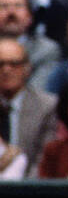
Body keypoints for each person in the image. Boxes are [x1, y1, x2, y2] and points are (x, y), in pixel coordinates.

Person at [0, 34, 57, 175]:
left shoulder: (47, 106)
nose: (6, 70)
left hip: (30, 190)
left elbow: (43, 160)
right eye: (0, 64)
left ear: (27, 68)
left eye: (14, 64)